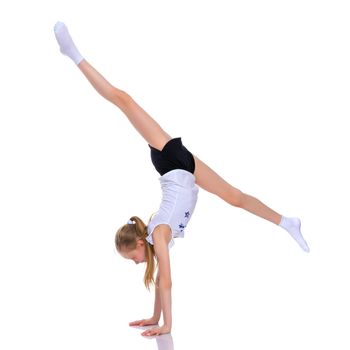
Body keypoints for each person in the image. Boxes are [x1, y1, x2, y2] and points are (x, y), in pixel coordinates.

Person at [53, 21, 310, 337]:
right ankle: (287, 222)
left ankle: (73, 53)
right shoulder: (155, 238)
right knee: (236, 198)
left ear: (137, 242)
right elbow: (161, 277)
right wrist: (154, 316)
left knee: (123, 100)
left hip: (170, 158)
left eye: (131, 257)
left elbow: (167, 280)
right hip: (185, 169)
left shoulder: (159, 233)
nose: (135, 263)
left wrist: (167, 325)